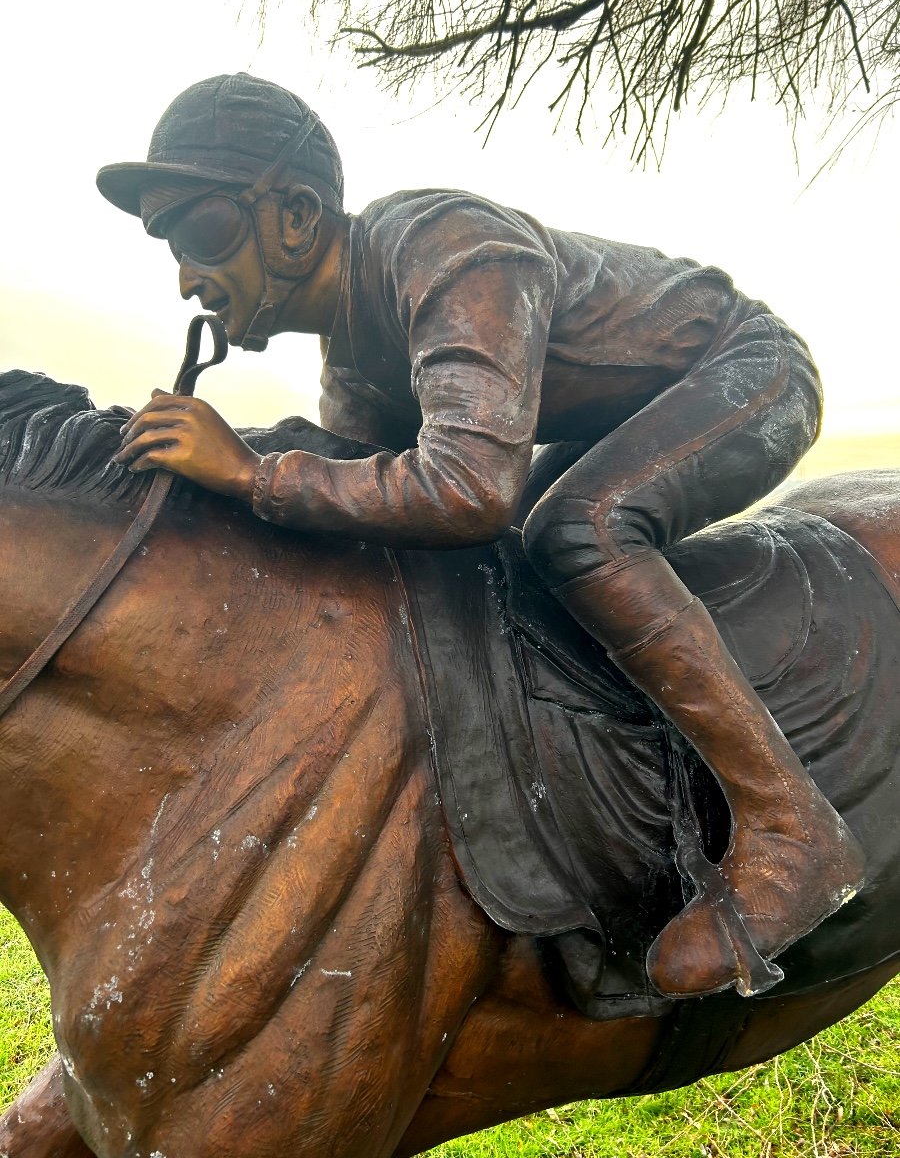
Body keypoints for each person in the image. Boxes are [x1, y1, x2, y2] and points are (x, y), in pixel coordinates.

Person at [97, 72, 864, 998]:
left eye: (203, 233)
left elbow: (466, 488)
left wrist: (252, 472)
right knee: (512, 570)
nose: (186, 274)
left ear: (295, 216)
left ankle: (795, 828)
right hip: (604, 417)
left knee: (579, 533)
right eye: (168, 245)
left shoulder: (442, 247)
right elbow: (364, 492)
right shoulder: (353, 364)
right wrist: (221, 481)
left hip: (745, 371)